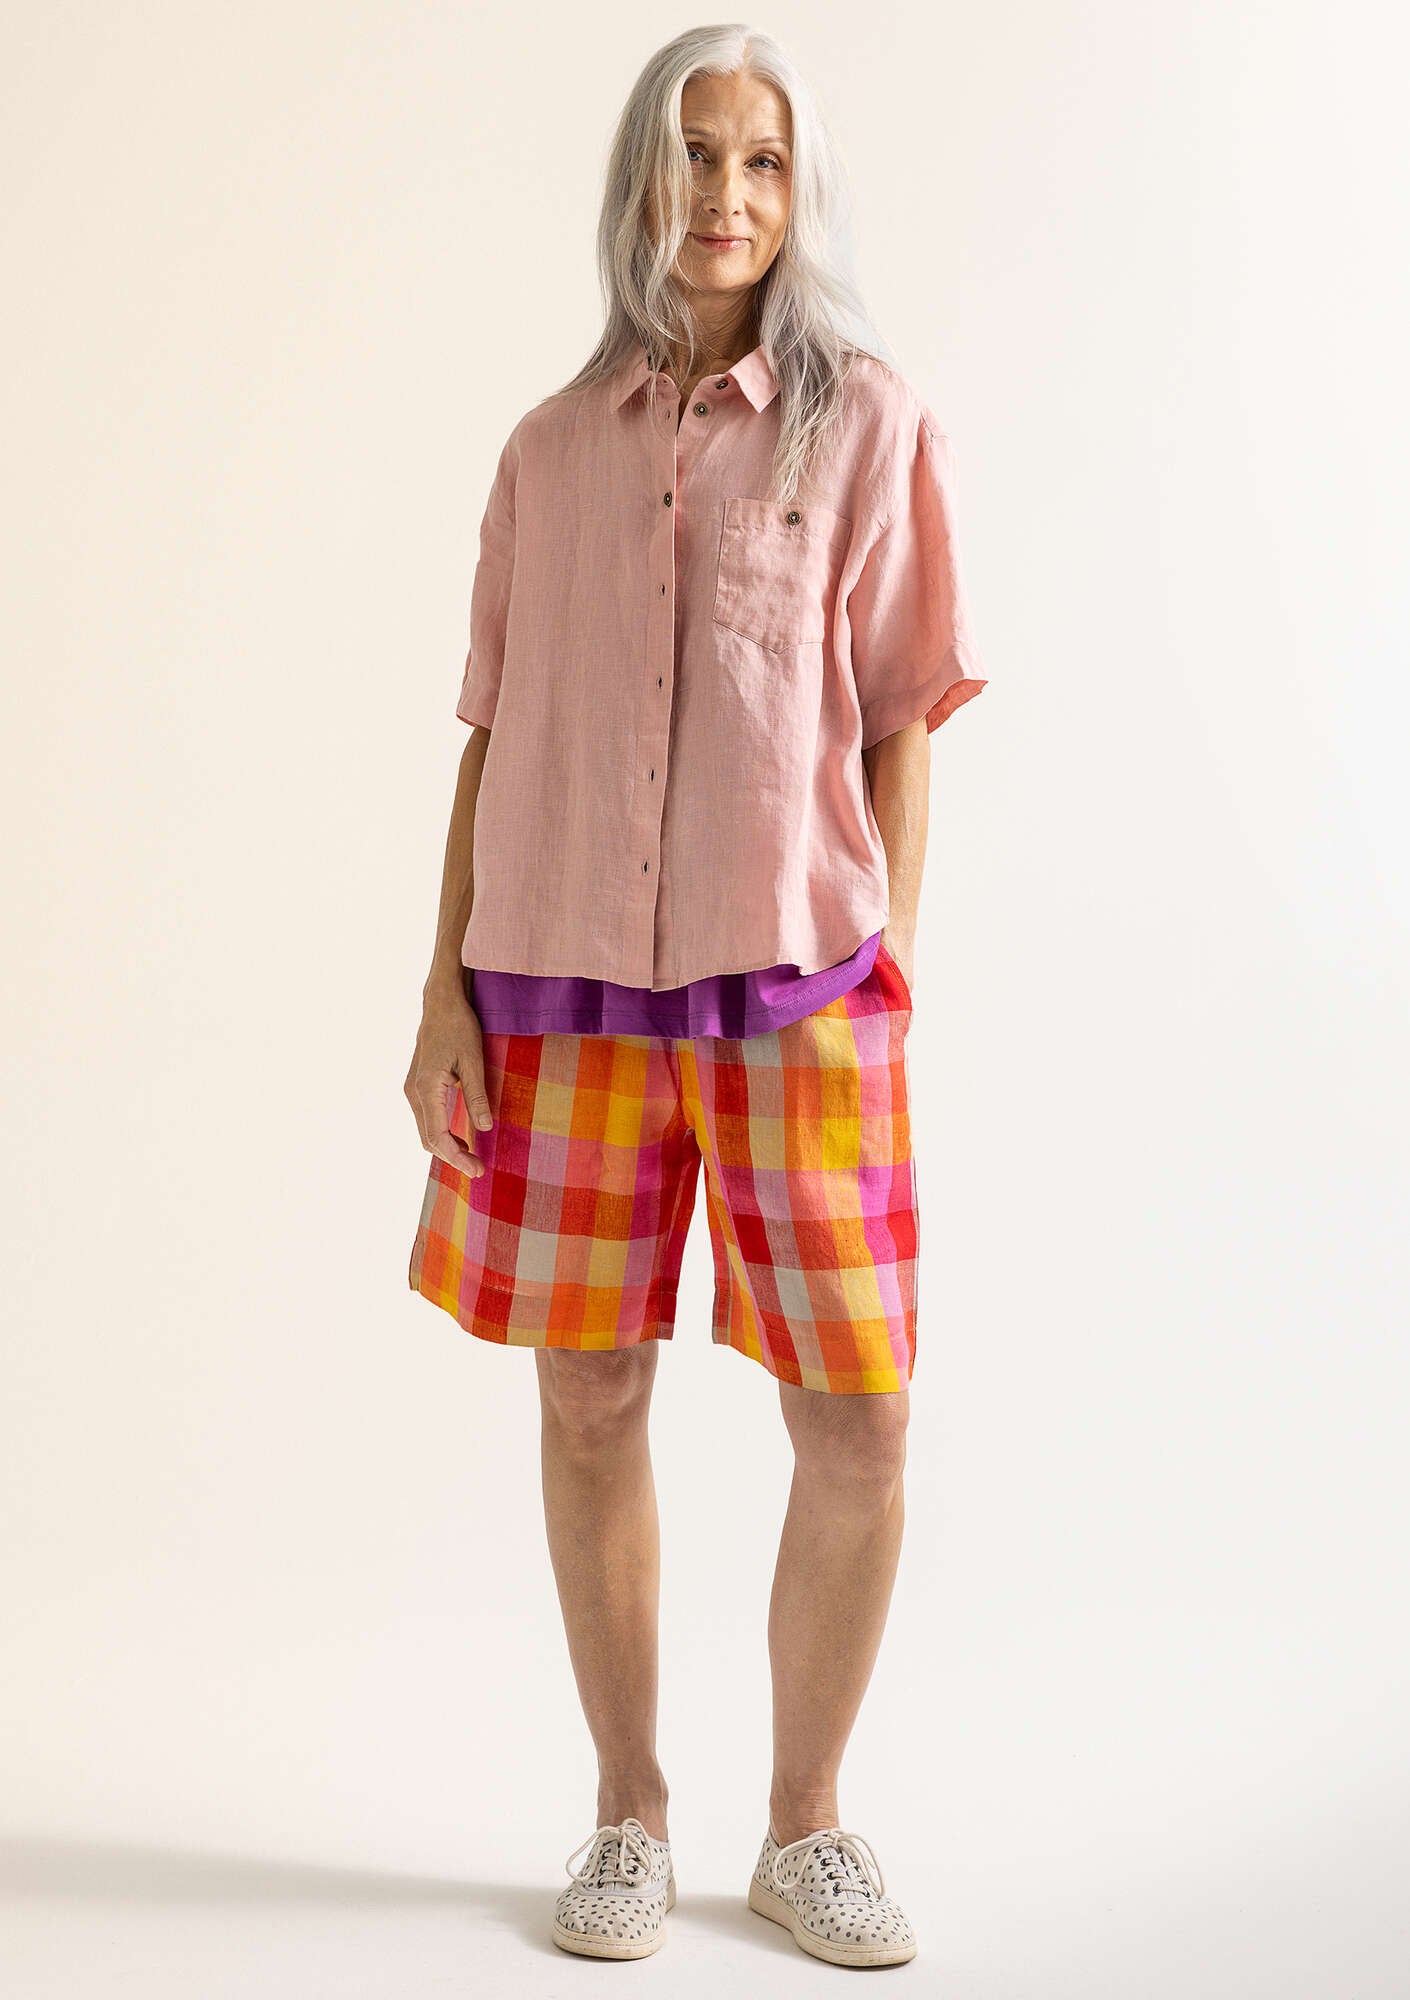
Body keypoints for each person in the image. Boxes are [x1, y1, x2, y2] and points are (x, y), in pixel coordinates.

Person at [403, 24, 987, 1970]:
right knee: (589, 1398)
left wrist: (893, 958)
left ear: (799, 192)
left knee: (862, 1420)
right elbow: (493, 732)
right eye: (695, 154)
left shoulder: (869, 423)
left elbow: (904, 719)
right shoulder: (545, 451)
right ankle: (625, 1814)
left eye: (761, 159)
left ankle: (806, 1823)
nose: (727, 193)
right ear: (638, 184)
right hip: (557, 984)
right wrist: (439, 994)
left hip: (804, 990)